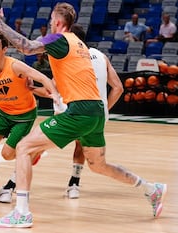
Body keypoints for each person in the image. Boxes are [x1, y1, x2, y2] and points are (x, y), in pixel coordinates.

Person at [0, 0, 167, 228]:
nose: (49, 24)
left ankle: (21, 212)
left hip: (79, 111)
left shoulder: (59, 38)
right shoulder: (79, 43)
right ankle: (151, 188)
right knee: (99, 165)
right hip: (97, 111)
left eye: (51, 21)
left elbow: (27, 47)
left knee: (23, 147)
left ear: (58, 22)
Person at [0, 30, 60, 203]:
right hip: (3, 113)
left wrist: (55, 94)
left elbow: (41, 77)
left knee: (7, 154)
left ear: (5, 49)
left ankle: (33, 152)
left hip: (24, 115)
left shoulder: (15, 66)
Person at [63, 24, 124, 199]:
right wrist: (105, 108)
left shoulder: (70, 57)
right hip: (98, 114)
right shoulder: (101, 56)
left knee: (34, 144)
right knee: (89, 154)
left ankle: (14, 183)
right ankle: (74, 182)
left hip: (77, 110)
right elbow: (118, 88)